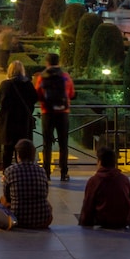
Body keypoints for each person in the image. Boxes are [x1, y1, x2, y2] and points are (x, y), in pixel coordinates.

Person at [78, 148, 130, 230]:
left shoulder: (94, 180)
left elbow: (88, 206)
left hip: (104, 221)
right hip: (123, 220)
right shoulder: (124, 179)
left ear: (99, 162)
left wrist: (84, 224)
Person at [0, 60, 39, 171]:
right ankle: (23, 171)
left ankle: (6, 173)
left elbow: (1, 100)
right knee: (23, 149)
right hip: (23, 122)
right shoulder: (28, 84)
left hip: (8, 122)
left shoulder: (5, 84)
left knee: (8, 150)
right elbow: (34, 99)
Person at [36, 53, 73, 181]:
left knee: (47, 144)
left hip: (47, 113)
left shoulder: (42, 77)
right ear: (59, 62)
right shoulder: (65, 76)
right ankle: (64, 172)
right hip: (63, 113)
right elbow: (71, 93)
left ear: (47, 62)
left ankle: (47, 173)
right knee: (63, 144)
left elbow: (38, 95)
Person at [0, 138, 52, 230]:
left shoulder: (10, 171)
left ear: (18, 155)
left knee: (2, 200)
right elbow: (46, 194)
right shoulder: (41, 170)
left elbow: (7, 197)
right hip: (43, 220)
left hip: (17, 220)